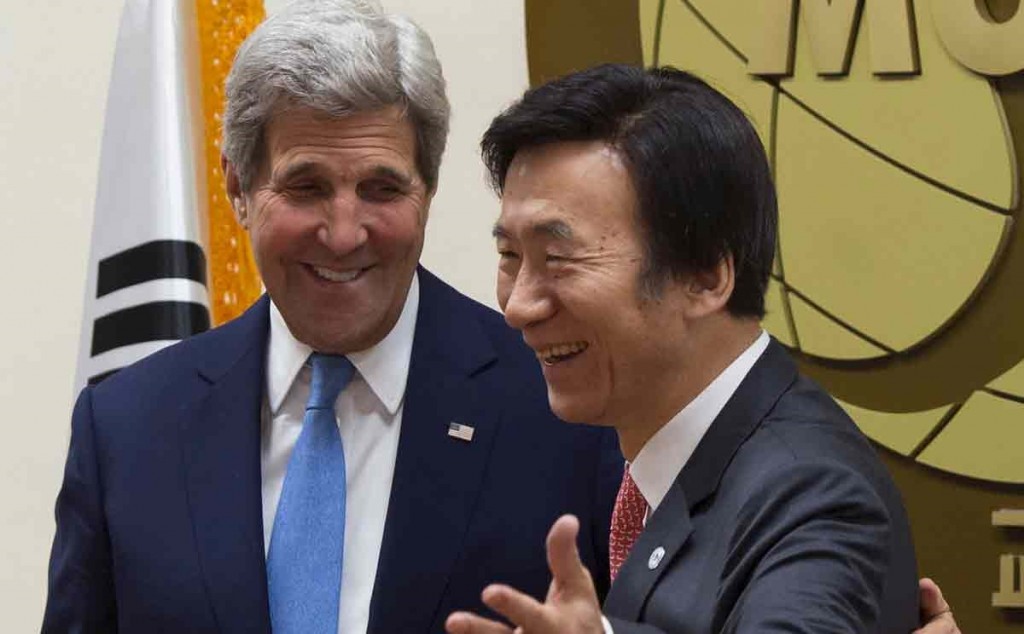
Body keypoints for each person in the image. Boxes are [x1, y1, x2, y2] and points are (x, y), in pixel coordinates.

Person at [42, 2, 620, 632]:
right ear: (238, 189)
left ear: (427, 189)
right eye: (306, 187)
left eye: (381, 189)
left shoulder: (568, 409)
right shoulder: (126, 430)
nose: (344, 234)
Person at [446, 63, 920, 633]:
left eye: (558, 259)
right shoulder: (646, 459)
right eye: (510, 257)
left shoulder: (812, 490)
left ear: (704, 277)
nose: (519, 305)